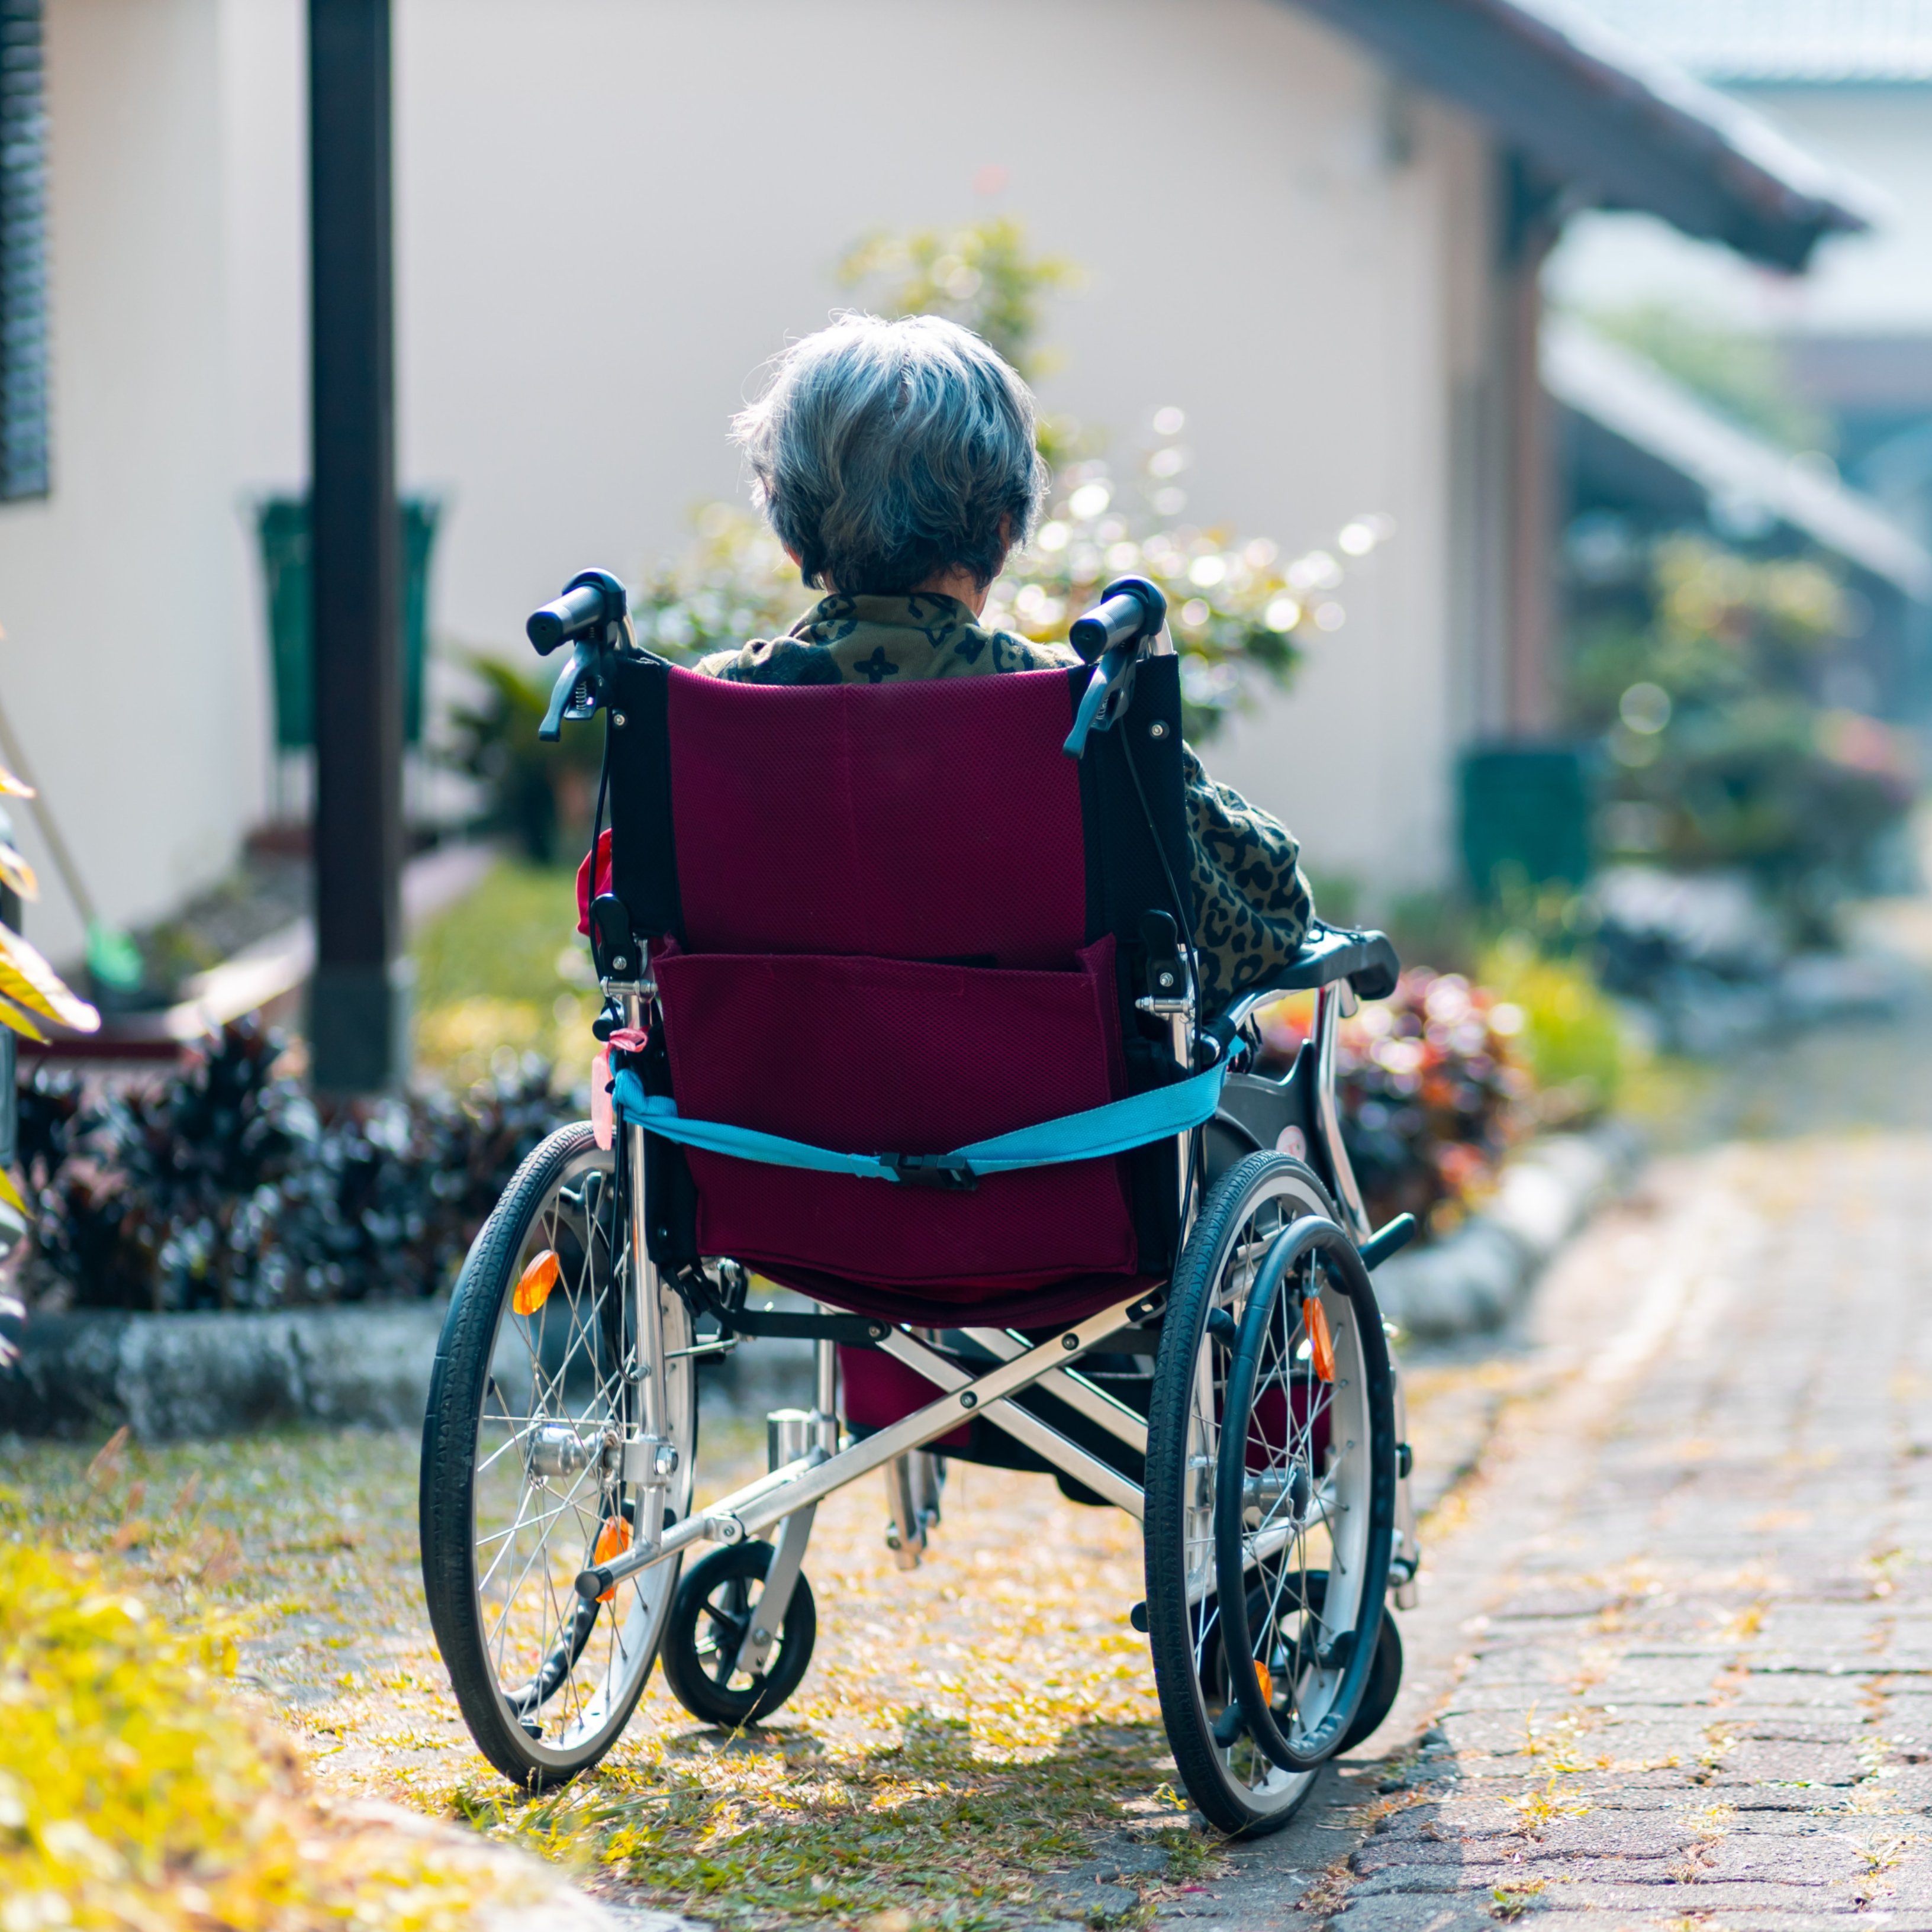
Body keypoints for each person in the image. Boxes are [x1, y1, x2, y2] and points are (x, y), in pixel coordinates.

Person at [607, 311, 1316, 1013]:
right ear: (1006, 531)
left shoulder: (703, 714)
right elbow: (1268, 917)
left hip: (757, 1117)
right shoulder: (1075, 710)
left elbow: (643, 945)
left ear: (794, 539)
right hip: (1051, 1114)